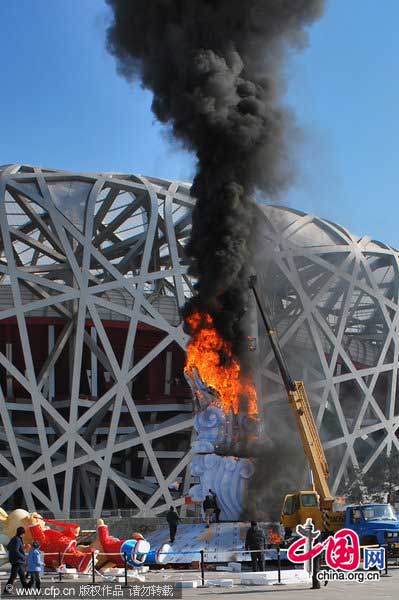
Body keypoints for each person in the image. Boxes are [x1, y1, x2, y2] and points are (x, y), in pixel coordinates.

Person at [3, 526, 28, 593]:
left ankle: (26, 589)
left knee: (22, 575)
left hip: (15, 560)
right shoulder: (18, 540)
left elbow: (8, 547)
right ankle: (6, 590)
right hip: (17, 560)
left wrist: (22, 548)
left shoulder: (14, 538)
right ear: (22, 533)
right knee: (13, 576)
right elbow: (16, 550)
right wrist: (22, 556)